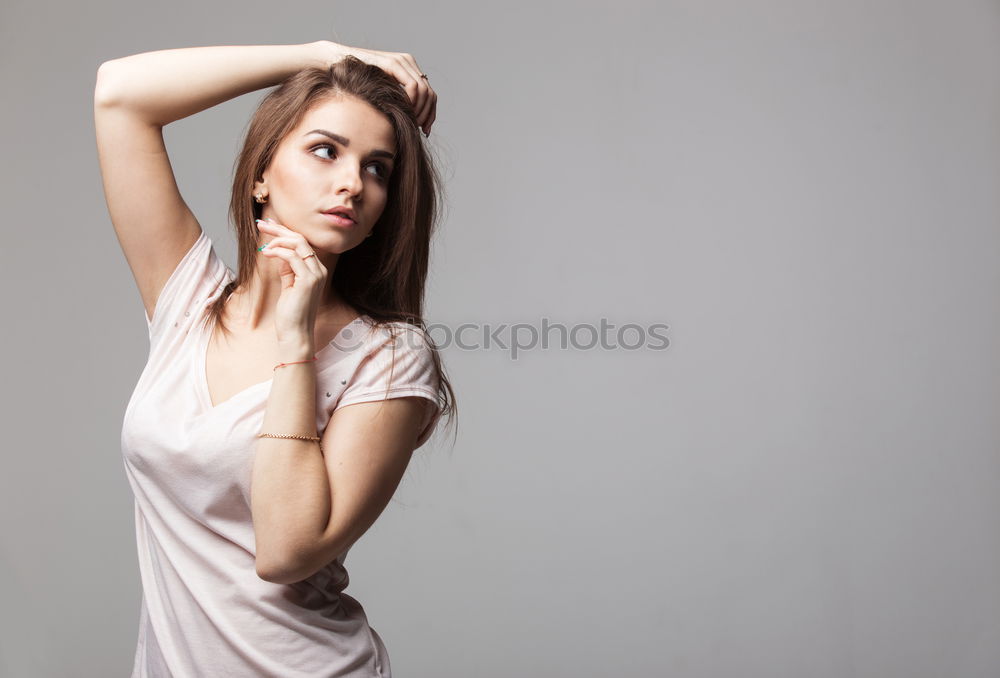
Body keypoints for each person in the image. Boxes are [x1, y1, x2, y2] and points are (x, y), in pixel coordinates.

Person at [94, 40, 457, 677]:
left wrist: (295, 347)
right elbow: (120, 97)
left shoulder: (391, 357)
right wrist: (319, 54)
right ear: (261, 174)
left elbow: (287, 551)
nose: (353, 182)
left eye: (378, 168)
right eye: (326, 149)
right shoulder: (189, 302)